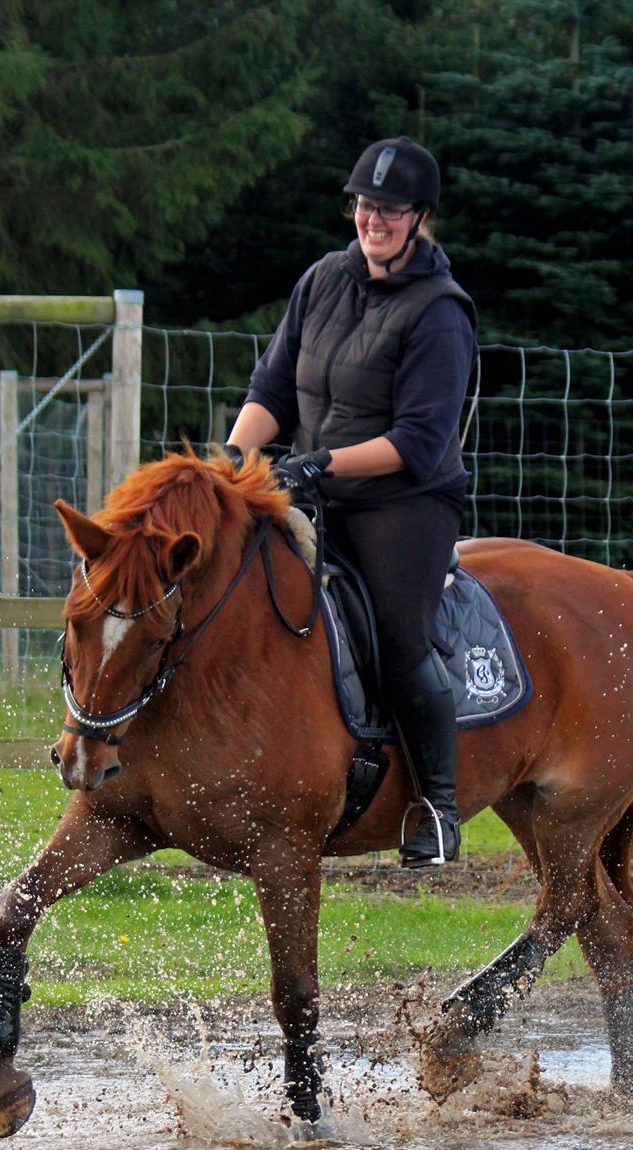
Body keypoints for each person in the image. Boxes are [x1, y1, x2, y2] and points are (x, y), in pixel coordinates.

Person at [225, 136, 478, 867]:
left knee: (400, 639)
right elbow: (271, 389)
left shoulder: (441, 312)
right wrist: (233, 463)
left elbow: (418, 440)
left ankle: (438, 805)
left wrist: (319, 462)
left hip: (403, 503)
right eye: (367, 206)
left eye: (392, 211)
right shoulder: (323, 279)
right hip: (311, 486)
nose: (375, 220)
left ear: (420, 216)